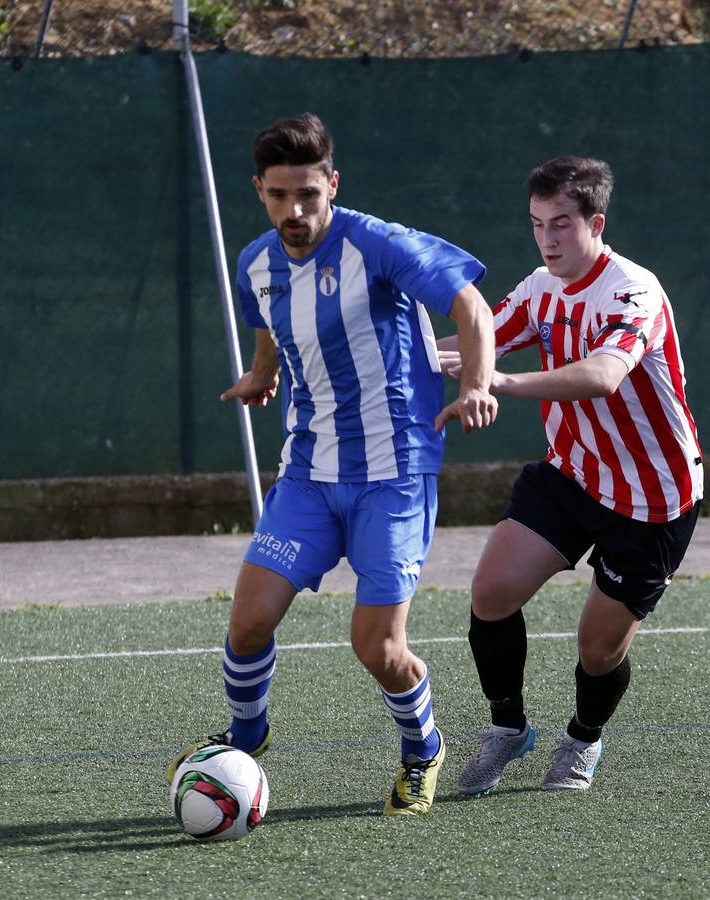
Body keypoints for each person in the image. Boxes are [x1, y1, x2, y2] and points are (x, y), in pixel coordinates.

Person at [168, 113, 498, 816]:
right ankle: (245, 740)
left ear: (332, 185)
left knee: (376, 646)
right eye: (280, 195)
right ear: (259, 190)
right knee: (249, 621)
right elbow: (269, 326)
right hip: (310, 473)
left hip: (394, 474)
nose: (295, 211)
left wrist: (474, 384)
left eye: (309, 195)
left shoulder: (377, 244)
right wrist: (263, 376)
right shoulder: (255, 261)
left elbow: (471, 306)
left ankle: (423, 750)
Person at [438, 155, 703, 794]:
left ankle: (583, 738)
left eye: (561, 224)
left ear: (596, 222)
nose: (548, 239)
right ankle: (508, 729)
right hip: (572, 474)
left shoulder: (634, 291)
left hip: (651, 500)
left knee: (598, 649)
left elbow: (603, 375)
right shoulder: (539, 288)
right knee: (491, 592)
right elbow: (472, 347)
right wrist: (379, 358)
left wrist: (497, 381)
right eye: (537, 224)